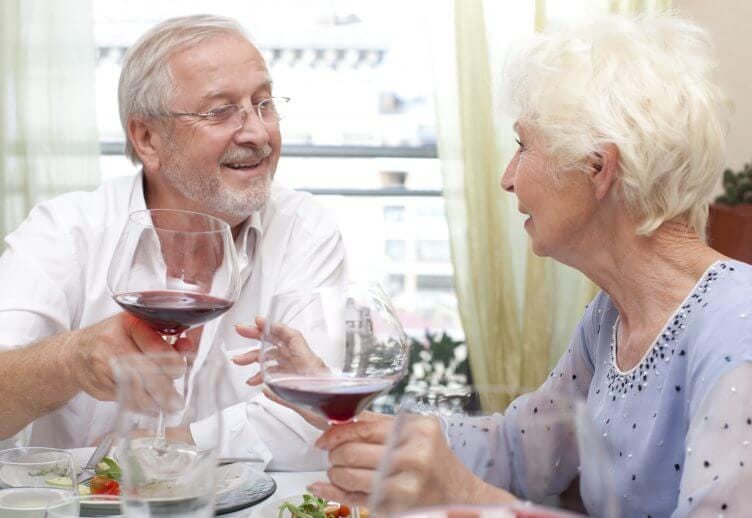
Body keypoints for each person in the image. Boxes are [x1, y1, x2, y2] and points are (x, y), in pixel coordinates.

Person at [238, 14, 752, 515]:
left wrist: (472, 499)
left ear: (599, 168)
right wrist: (338, 401)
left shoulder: (737, 329)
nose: (507, 179)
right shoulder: (609, 320)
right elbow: (516, 449)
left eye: (523, 146)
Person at [0, 14, 346, 470]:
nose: (257, 133)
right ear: (147, 138)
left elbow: (314, 417)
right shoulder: (66, 231)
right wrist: (68, 362)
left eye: (264, 103)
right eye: (219, 111)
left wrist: (153, 453)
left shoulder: (305, 231)